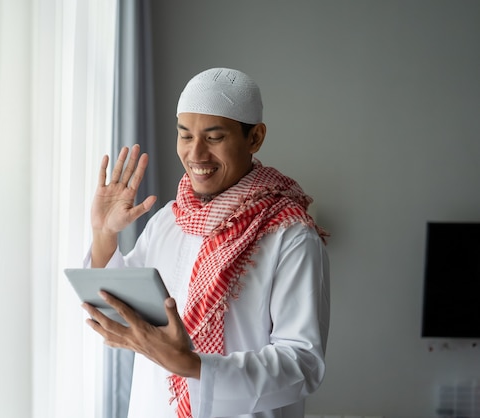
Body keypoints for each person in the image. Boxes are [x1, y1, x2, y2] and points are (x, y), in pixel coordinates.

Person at [82, 67, 330, 418]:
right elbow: (114, 315)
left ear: (255, 138)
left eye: (213, 138)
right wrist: (104, 234)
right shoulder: (168, 219)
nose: (196, 154)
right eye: (185, 136)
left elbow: (302, 364)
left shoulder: (291, 235)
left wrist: (193, 365)